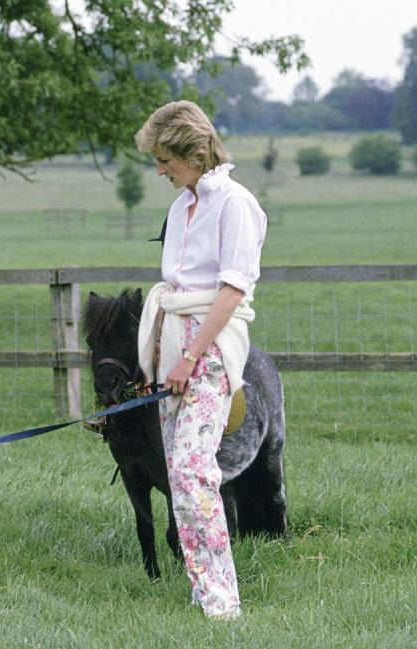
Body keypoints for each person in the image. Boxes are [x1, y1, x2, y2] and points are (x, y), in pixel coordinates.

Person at [135, 100, 267, 620]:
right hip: (171, 340)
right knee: (178, 473)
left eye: (165, 158)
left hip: (209, 344)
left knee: (193, 470)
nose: (160, 169)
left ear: (192, 149)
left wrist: (191, 355)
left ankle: (223, 604)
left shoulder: (235, 203)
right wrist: (161, 353)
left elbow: (233, 289)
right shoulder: (179, 206)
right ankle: (202, 587)